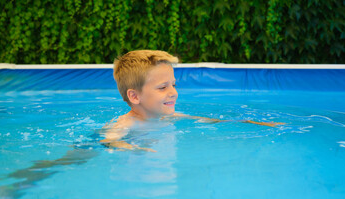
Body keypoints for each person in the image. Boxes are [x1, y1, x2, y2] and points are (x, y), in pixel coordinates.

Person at [100, 50, 283, 152]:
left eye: (173, 85)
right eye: (163, 87)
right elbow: (110, 141)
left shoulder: (167, 117)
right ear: (134, 96)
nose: (173, 93)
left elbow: (210, 121)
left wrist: (253, 123)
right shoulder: (127, 123)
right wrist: (134, 149)